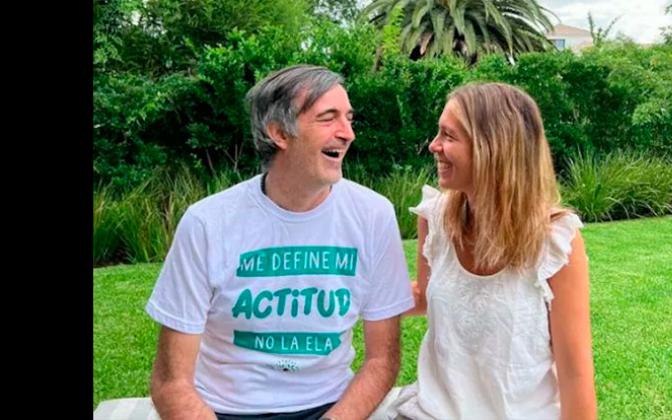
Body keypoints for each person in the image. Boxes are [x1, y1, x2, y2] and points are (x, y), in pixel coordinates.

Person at [146, 64, 414, 420]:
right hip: (222, 411)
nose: (347, 133)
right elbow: (171, 382)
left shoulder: (373, 215)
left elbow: (382, 360)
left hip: (333, 407)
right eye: (327, 118)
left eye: (349, 118)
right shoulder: (207, 223)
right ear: (279, 133)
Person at [376, 82, 597, 419]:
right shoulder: (435, 219)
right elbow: (422, 295)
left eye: (449, 136)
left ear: (493, 147)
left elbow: (574, 372)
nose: (434, 145)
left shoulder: (554, 241)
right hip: (432, 411)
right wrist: (350, 295)